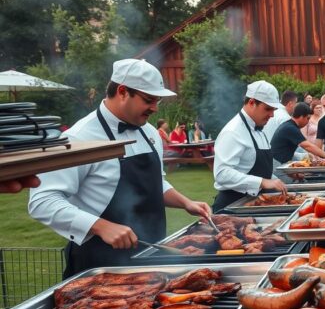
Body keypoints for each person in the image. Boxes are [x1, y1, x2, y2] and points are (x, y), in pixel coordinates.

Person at [29, 58, 211, 277]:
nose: (155, 108)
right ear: (123, 91)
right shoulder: (78, 138)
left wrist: (185, 203)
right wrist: (101, 226)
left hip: (151, 253)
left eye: (157, 101)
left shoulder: (149, 132)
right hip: (99, 262)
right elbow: (42, 201)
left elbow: (155, 183)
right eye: (149, 100)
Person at [212, 80, 287, 212]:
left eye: (274, 110)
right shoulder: (233, 131)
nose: (272, 115)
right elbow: (222, 174)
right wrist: (262, 182)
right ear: (252, 102)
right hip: (232, 207)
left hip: (254, 203)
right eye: (268, 109)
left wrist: (277, 180)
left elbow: (260, 171)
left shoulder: (260, 130)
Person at [271, 102, 325, 182]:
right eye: (308, 118)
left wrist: (294, 173)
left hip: (282, 163)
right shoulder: (290, 128)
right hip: (277, 165)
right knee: (290, 186)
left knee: (301, 181)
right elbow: (307, 146)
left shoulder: (290, 125)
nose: (308, 122)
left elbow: (288, 151)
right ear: (301, 116)